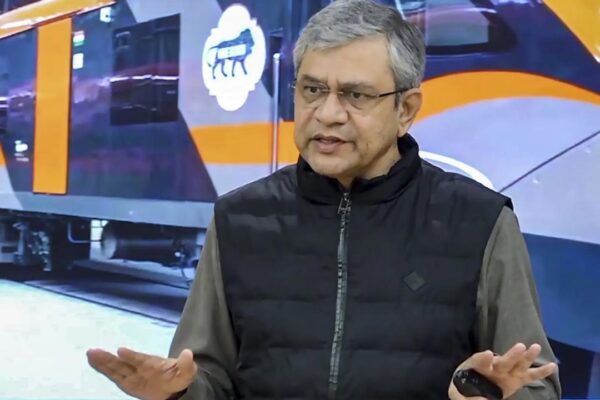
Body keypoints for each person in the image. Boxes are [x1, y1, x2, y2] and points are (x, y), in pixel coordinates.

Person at [86, 0, 561, 398]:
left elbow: (536, 386)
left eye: (356, 96)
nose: (328, 113)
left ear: (406, 109)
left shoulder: (480, 223)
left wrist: (484, 394)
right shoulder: (238, 219)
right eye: (312, 90)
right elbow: (207, 375)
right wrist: (178, 393)